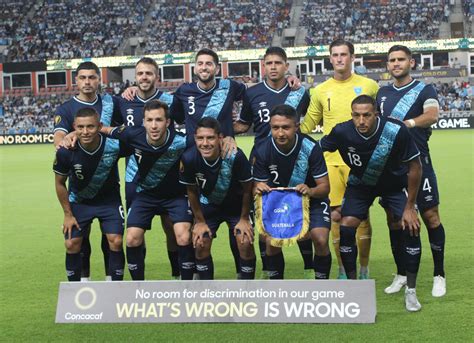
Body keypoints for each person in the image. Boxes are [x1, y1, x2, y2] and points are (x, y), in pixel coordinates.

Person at [320, 95, 423, 312]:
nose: (361, 121)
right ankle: (353, 289)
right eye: (356, 115)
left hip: (394, 185)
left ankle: (411, 292)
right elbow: (315, 150)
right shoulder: (342, 131)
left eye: (367, 115)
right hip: (360, 185)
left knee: (411, 227)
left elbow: (415, 166)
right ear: (351, 115)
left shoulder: (396, 130)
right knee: (346, 228)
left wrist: (410, 207)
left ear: (376, 114)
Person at [300, 39, 379, 280]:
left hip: (362, 162)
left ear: (352, 57)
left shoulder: (369, 85)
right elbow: (309, 124)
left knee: (362, 215)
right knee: (335, 215)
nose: (339, 59)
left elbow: (380, 121)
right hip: (331, 161)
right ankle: (343, 268)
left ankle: (363, 269)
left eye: (344, 54)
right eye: (335, 55)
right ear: (330, 58)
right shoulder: (320, 90)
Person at [233, 46, 313, 279]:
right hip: (262, 162)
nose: (273, 67)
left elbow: (308, 121)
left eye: (278, 63)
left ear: (286, 66)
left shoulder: (300, 93)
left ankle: (308, 268)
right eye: (269, 63)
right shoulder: (253, 93)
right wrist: (221, 130)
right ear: (263, 66)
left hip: (296, 160)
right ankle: (269, 271)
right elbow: (244, 125)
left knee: (299, 212)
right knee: (264, 217)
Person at [377, 45, 446, 297]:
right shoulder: (382, 93)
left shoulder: (424, 89)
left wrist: (408, 123)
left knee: (431, 217)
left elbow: (432, 115)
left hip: (418, 162)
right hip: (390, 167)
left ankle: (439, 274)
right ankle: (402, 274)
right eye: (392, 60)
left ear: (411, 62)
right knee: (395, 221)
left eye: (401, 59)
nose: (396, 63)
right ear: (387, 65)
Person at [102, 100, 194, 280]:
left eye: (158, 120)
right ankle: (139, 287)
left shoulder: (182, 140)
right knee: (131, 238)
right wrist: (71, 135)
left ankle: (184, 283)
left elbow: (208, 139)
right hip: (146, 196)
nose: (153, 125)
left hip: (176, 197)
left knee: (183, 237)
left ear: (167, 122)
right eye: (149, 120)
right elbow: (103, 129)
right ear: (143, 121)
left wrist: (227, 138)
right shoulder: (132, 134)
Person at [114, 57, 180, 280]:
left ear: (156, 76)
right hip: (135, 175)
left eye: (148, 73)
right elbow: (109, 127)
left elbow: (185, 128)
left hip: (167, 171)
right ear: (135, 76)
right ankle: (138, 281)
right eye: (140, 73)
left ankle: (177, 273)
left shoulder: (171, 101)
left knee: (171, 227)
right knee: (135, 231)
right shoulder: (123, 101)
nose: (144, 77)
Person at [54, 61, 119, 281]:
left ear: (99, 79)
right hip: (80, 186)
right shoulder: (65, 108)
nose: (87, 82)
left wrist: (131, 91)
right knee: (80, 237)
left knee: (111, 236)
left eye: (92, 77)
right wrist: (68, 137)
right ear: (76, 80)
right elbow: (59, 140)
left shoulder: (111, 103)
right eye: (83, 78)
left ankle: (111, 279)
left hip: (108, 180)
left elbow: (131, 120)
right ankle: (84, 280)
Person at [253, 104, 332, 280]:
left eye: (286, 127)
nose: (280, 133)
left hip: (312, 201)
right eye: (275, 128)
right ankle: (276, 287)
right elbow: (256, 186)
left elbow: (325, 188)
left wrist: (310, 190)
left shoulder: (310, 147)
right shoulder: (262, 149)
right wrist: (258, 188)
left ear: (296, 127)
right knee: (271, 242)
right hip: (279, 203)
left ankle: (322, 287)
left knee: (320, 239)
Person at [180, 117, 256, 280]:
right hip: (209, 207)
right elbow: (191, 191)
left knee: (244, 241)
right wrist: (199, 222)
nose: (205, 143)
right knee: (200, 242)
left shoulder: (235, 156)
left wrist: (244, 218)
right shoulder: (189, 158)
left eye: (210, 138)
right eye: (200, 138)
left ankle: (247, 289)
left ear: (220, 138)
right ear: (195, 139)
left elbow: (247, 189)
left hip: (236, 207)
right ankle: (207, 290)